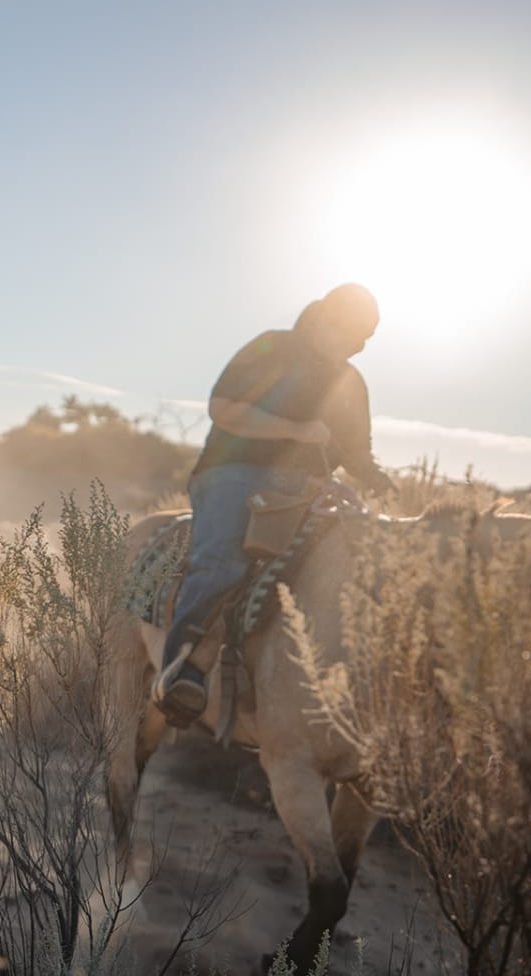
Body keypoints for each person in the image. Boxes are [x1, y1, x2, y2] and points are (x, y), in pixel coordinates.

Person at [153, 283, 395, 728]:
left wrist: (380, 479)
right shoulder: (272, 347)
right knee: (223, 560)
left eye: (364, 340)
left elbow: (358, 453)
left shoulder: (351, 382)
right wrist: (297, 431)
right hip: (236, 473)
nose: (355, 347)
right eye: (350, 333)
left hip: (312, 489)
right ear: (324, 318)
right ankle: (182, 672)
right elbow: (223, 408)